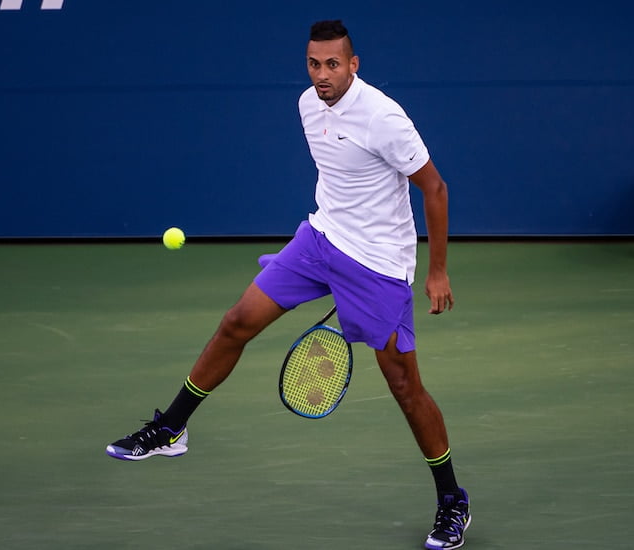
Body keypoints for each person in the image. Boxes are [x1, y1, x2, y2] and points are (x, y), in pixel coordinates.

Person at [106, 19, 470, 550]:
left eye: (332, 64)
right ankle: (171, 429)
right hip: (319, 242)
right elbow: (339, 180)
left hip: (377, 264)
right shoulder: (306, 104)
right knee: (237, 322)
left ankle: (452, 500)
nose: (322, 75)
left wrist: (435, 270)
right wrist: (306, 254)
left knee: (403, 386)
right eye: (313, 64)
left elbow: (434, 188)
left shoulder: (384, 118)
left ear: (354, 64)